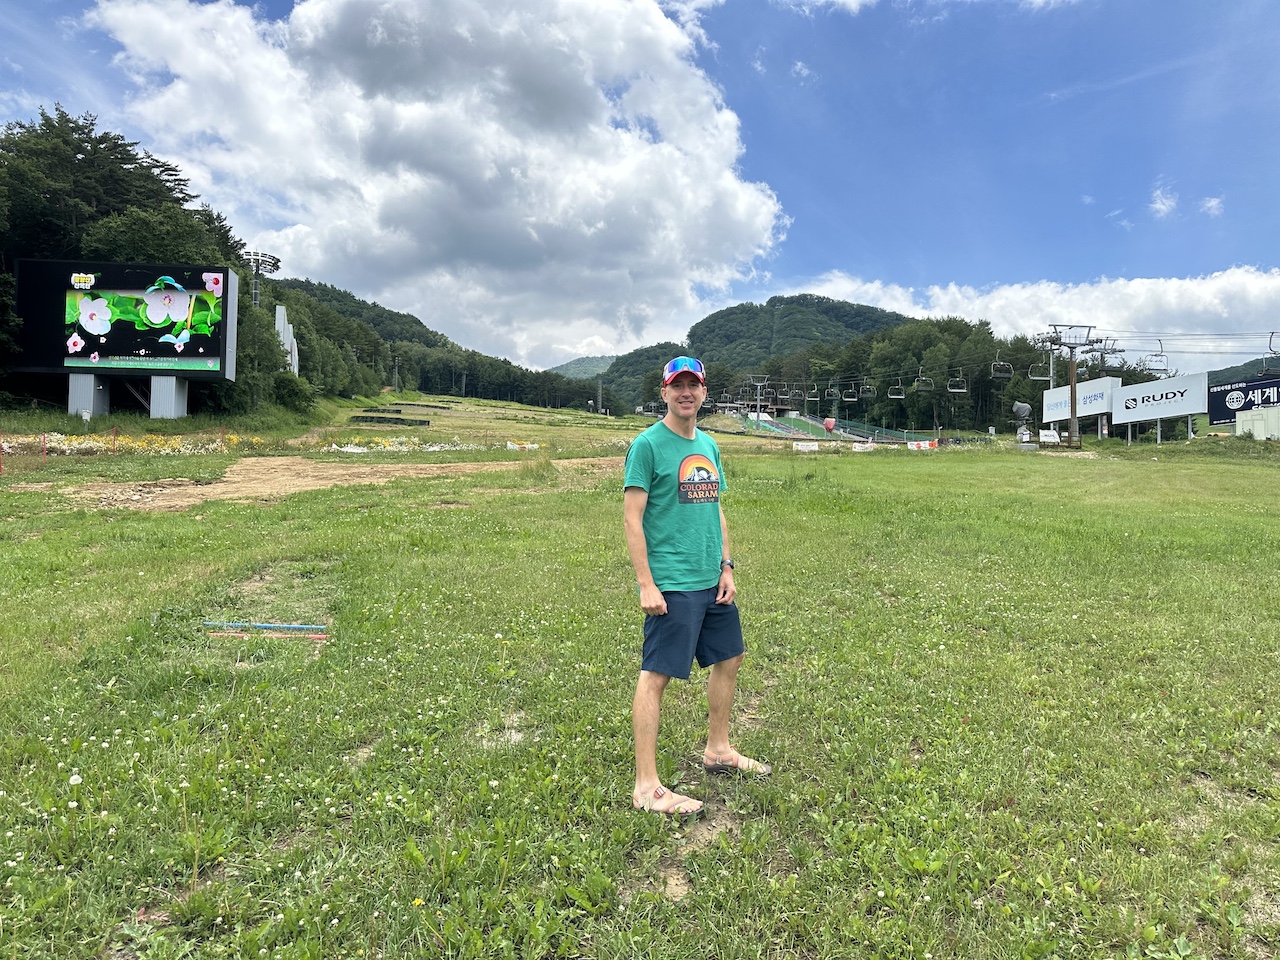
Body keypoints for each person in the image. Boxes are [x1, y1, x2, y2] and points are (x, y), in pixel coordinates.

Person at [623, 355, 771, 818]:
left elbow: (716, 509)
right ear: (664, 392)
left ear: (704, 392)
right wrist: (647, 583)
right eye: (677, 385)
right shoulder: (647, 446)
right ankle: (646, 787)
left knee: (730, 657)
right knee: (657, 675)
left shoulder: (708, 444)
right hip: (673, 583)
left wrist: (726, 567)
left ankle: (719, 750)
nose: (686, 392)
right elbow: (632, 518)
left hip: (712, 578)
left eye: (694, 385)